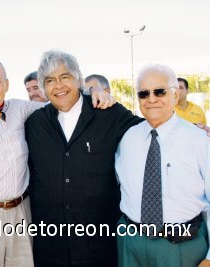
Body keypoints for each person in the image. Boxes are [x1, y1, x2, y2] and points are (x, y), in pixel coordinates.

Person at [0, 55, 114, 267]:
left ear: (6, 84)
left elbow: (62, 100)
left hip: (21, 214)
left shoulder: (22, 110)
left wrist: (92, 91)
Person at [25, 50, 143, 267]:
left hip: (99, 247)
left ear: (78, 78)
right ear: (43, 87)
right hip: (50, 248)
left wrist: (198, 130)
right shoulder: (34, 123)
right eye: (50, 80)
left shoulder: (108, 113)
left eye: (65, 77)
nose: (58, 86)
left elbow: (151, 129)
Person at [115, 64, 210, 267]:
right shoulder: (127, 138)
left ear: (176, 93)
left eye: (159, 91)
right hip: (131, 244)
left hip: (182, 247)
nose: (151, 99)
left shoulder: (199, 140)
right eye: (144, 94)